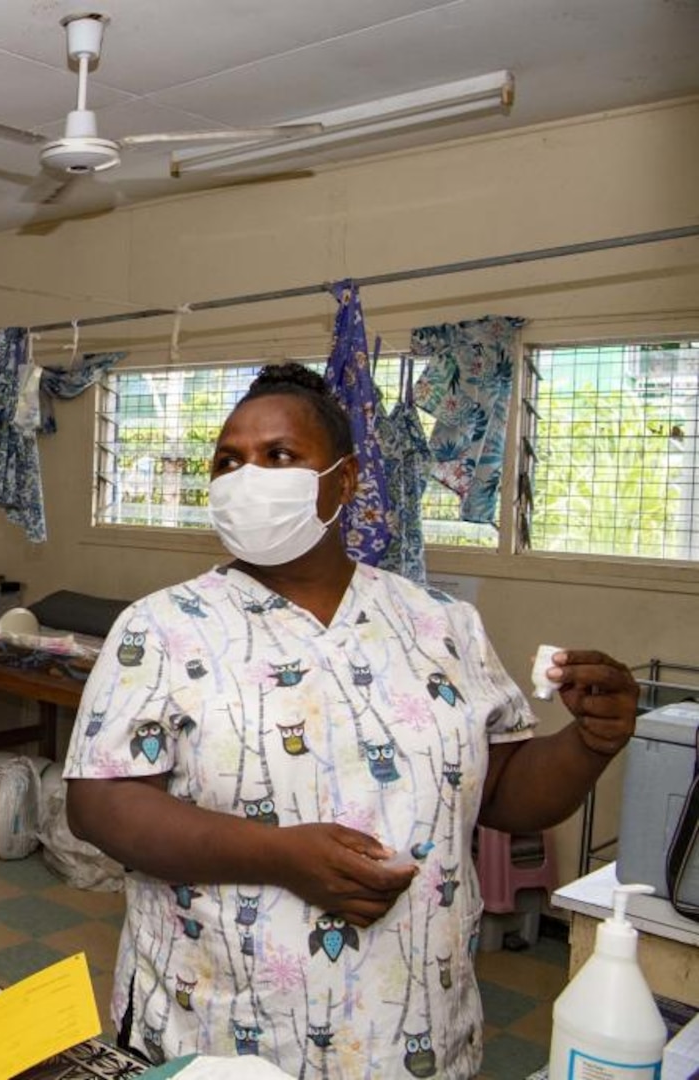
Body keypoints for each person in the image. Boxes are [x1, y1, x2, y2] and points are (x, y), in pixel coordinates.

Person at [64, 363, 638, 1077]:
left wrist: (589, 742)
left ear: (345, 480)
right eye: (227, 461)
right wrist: (279, 856)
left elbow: (503, 789)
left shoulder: (440, 624)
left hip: (413, 1028)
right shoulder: (162, 627)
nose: (246, 477)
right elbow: (99, 803)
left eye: (278, 456)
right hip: (220, 1024)